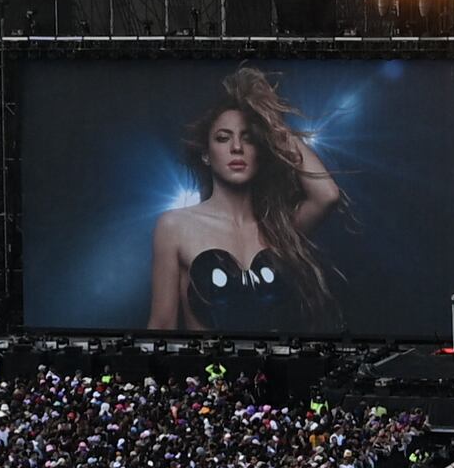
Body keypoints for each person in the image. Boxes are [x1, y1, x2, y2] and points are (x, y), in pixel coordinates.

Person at [144, 73, 341, 334]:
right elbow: (162, 325)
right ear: (206, 154)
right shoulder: (176, 226)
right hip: (211, 372)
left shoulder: (279, 228)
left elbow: (327, 195)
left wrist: (273, 127)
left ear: (261, 150)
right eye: (223, 138)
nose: (236, 147)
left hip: (276, 372)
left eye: (248, 138)